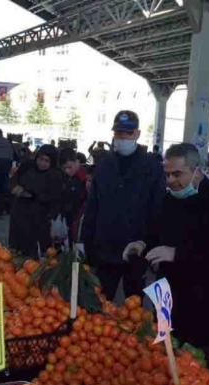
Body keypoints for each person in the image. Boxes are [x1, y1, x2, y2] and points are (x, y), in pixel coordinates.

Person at [123, 144, 209, 366]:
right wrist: (142, 244)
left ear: (197, 170)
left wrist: (177, 253)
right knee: (162, 362)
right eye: (167, 175)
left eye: (177, 174)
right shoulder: (169, 199)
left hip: (201, 304)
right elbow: (156, 232)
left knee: (196, 370)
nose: (171, 181)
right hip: (166, 297)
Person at [81, 110, 165, 301]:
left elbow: (157, 209)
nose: (123, 137)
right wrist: (86, 242)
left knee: (133, 305)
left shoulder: (152, 167)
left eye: (128, 132)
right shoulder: (104, 165)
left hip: (136, 249)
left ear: (137, 134)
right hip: (105, 248)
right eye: (119, 132)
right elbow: (92, 205)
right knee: (100, 302)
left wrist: (149, 243)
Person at [9, 145, 64, 258]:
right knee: (18, 248)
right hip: (20, 212)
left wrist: (28, 192)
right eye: (40, 159)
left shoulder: (56, 175)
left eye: (46, 161)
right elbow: (14, 179)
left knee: (34, 253)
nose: (42, 163)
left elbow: (53, 198)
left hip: (40, 218)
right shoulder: (28, 166)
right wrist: (14, 187)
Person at [59, 147, 87, 242]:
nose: (67, 171)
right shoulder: (64, 177)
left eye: (69, 167)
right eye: (64, 168)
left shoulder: (86, 177)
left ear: (77, 162)